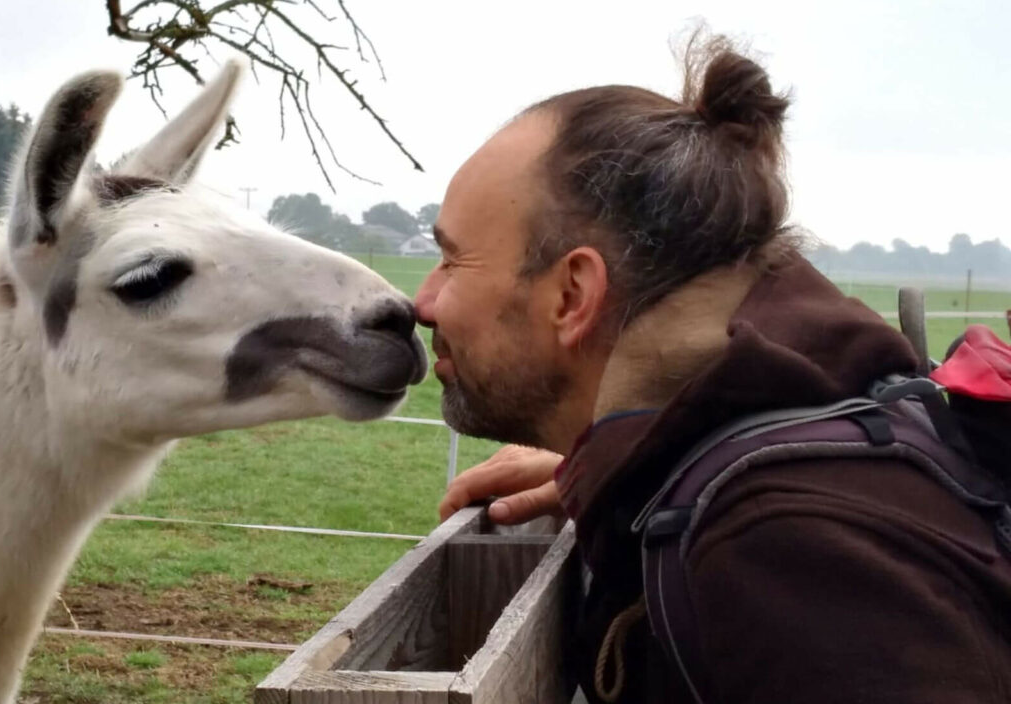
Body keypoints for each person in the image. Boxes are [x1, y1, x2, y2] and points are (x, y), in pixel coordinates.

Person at [415, 35, 1011, 703]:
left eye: (453, 260)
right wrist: (615, 470)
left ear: (572, 297)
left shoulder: (783, 548)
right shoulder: (762, 453)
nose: (422, 300)